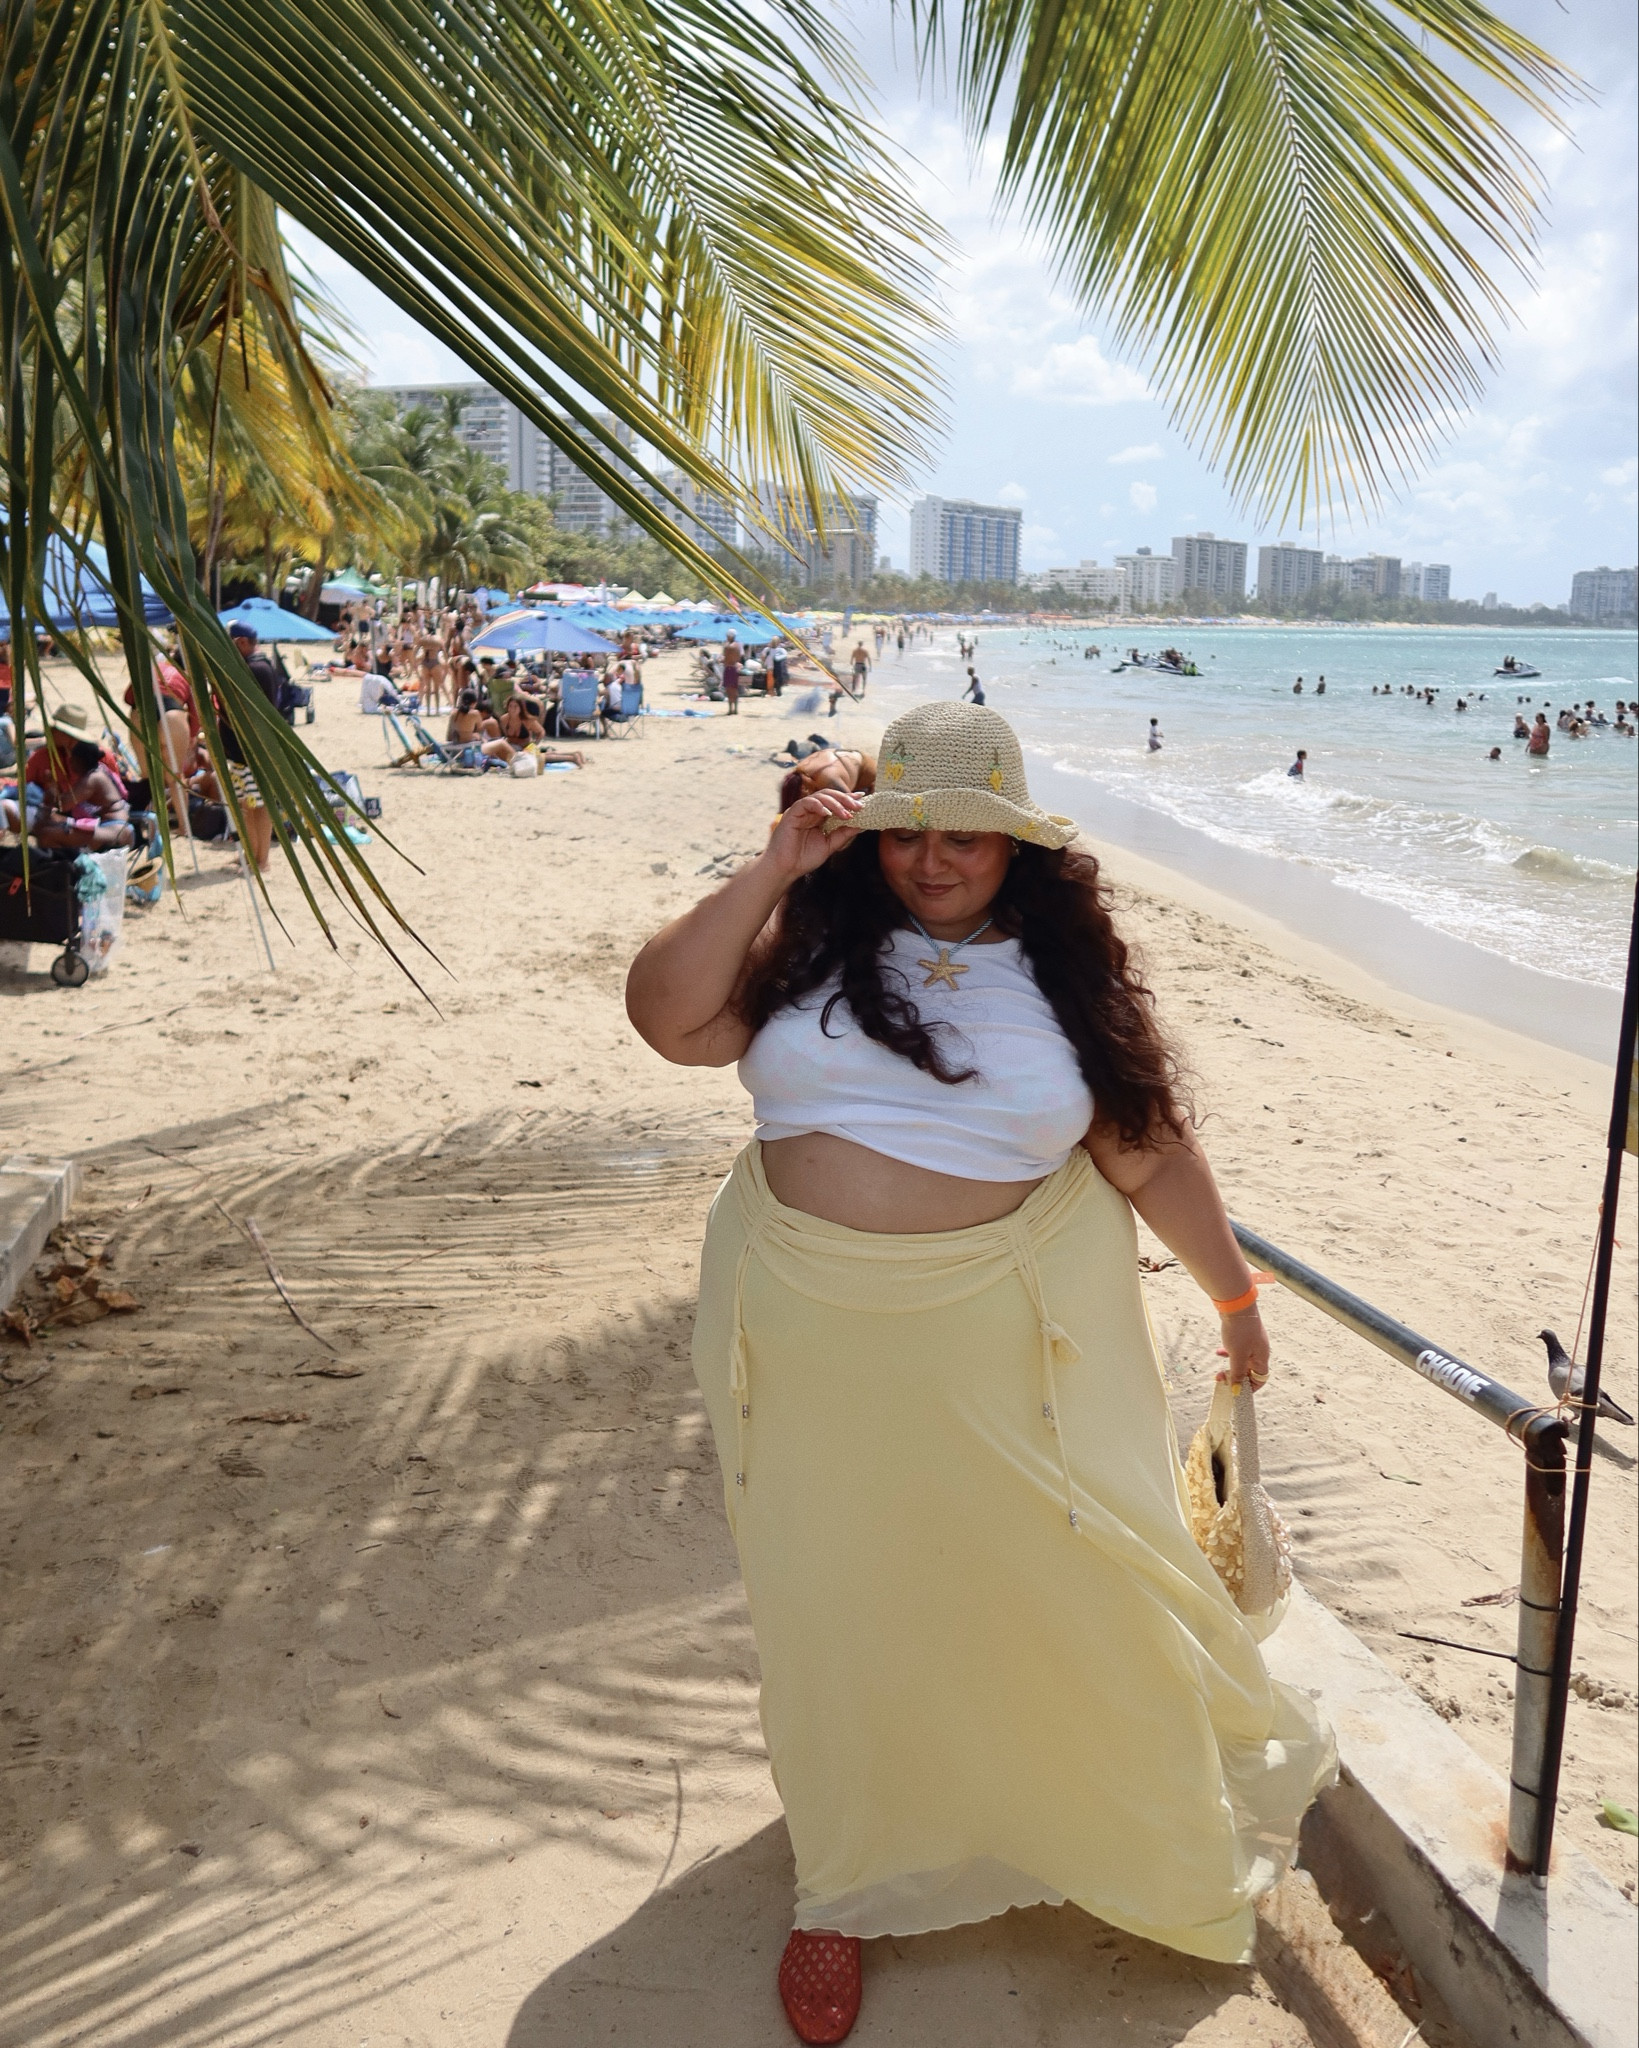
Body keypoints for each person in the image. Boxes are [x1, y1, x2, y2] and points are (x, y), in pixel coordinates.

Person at [626, 701, 1334, 2044]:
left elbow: (1146, 1153)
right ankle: (842, 1883)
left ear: (1017, 846)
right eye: (906, 835)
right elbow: (667, 1019)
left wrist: (1234, 1297)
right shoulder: (811, 943)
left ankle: (1102, 1823)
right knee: (833, 1601)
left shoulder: (1063, 982)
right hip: (805, 1338)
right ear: (868, 835)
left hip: (998, 1352)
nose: (932, 862)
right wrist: (776, 866)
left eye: (966, 837)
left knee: (1053, 1580)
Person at [219, 625, 281, 871]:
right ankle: (252, 853)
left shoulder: (256, 669)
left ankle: (262, 859)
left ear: (242, 642)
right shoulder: (256, 666)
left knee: (260, 805)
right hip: (241, 752)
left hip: (253, 753)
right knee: (247, 804)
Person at [722, 643, 742, 716]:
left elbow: (725, 660)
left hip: (729, 668)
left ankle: (731, 709)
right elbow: (739, 658)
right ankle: (735, 709)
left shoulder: (727, 648)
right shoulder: (737, 647)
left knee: (729, 690)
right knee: (734, 689)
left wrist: (721, 660)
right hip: (734, 668)